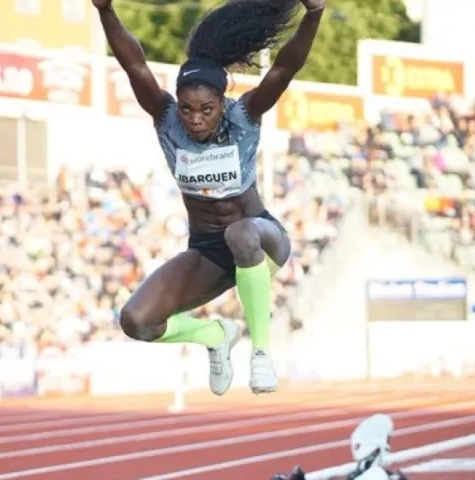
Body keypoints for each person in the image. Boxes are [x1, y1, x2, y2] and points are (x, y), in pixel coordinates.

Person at [93, 0, 324, 395]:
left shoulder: (244, 116)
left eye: (206, 109)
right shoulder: (167, 120)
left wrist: (315, 15)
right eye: (186, 109)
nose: (195, 119)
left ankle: (261, 354)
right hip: (209, 252)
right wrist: (106, 11)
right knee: (137, 320)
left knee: (240, 234)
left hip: (261, 238)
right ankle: (215, 335)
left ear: (223, 103)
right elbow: (135, 65)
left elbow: (285, 68)